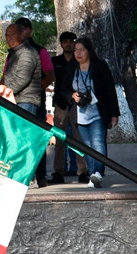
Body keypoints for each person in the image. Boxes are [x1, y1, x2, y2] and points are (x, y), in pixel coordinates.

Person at [58, 37, 119, 188]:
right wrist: (72, 95)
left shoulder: (99, 65)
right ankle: (92, 174)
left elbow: (110, 89)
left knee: (97, 142)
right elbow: (63, 89)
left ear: (89, 51)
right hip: (80, 113)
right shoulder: (72, 67)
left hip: (98, 110)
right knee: (86, 145)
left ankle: (98, 172)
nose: (78, 53)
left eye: (82, 50)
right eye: (76, 50)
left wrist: (114, 113)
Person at [15, 17, 54, 188]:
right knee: (20, 139)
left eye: (23, 29)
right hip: (15, 101)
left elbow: (50, 75)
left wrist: (36, 89)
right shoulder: (13, 52)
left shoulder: (40, 51)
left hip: (35, 103)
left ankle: (41, 176)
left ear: (29, 30)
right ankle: (24, 175)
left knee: (36, 137)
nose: (21, 32)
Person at [50, 31, 89, 184]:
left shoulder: (79, 60)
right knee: (59, 139)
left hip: (77, 105)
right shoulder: (56, 61)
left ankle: (82, 171)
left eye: (71, 41)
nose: (68, 44)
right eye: (65, 41)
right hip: (60, 103)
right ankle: (58, 172)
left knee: (78, 139)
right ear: (60, 43)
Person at [0, 24, 41, 116]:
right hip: (16, 100)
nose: (9, 38)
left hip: (25, 102)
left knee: (22, 129)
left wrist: (5, 93)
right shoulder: (15, 53)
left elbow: (22, 79)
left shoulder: (27, 52)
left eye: (12, 34)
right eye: (7, 35)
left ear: (21, 35)